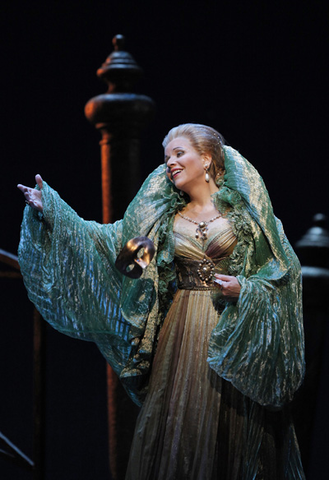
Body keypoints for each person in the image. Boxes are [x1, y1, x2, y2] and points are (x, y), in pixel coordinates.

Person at [17, 124, 305, 479]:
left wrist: (246, 290)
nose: (170, 162)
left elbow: (283, 275)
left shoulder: (247, 217)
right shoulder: (162, 223)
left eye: (179, 153)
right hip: (181, 334)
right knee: (179, 426)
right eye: (167, 157)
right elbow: (117, 256)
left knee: (229, 429)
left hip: (231, 330)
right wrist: (55, 213)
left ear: (207, 158)